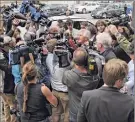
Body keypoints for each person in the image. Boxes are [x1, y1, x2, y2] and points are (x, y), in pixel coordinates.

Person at [62, 47, 99, 122]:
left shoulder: (69, 76)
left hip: (75, 112)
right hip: (89, 111)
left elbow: (64, 80)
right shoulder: (95, 77)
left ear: (73, 59)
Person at [46, 39, 70, 122]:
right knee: (67, 114)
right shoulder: (64, 61)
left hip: (54, 91)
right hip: (64, 93)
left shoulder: (48, 58)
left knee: (56, 113)